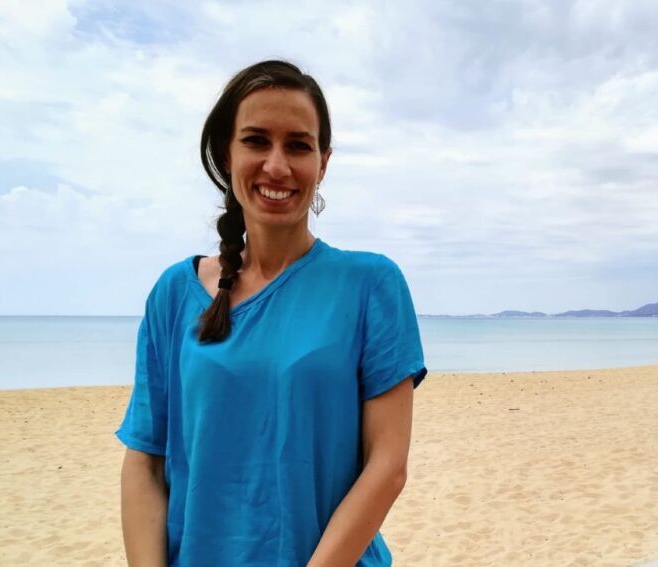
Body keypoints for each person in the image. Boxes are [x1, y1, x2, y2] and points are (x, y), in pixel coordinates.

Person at [116, 59, 427, 567]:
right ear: (227, 153)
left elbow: (387, 466)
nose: (277, 166)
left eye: (298, 145)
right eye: (257, 141)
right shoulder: (174, 293)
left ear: (323, 163)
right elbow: (145, 462)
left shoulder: (371, 285)